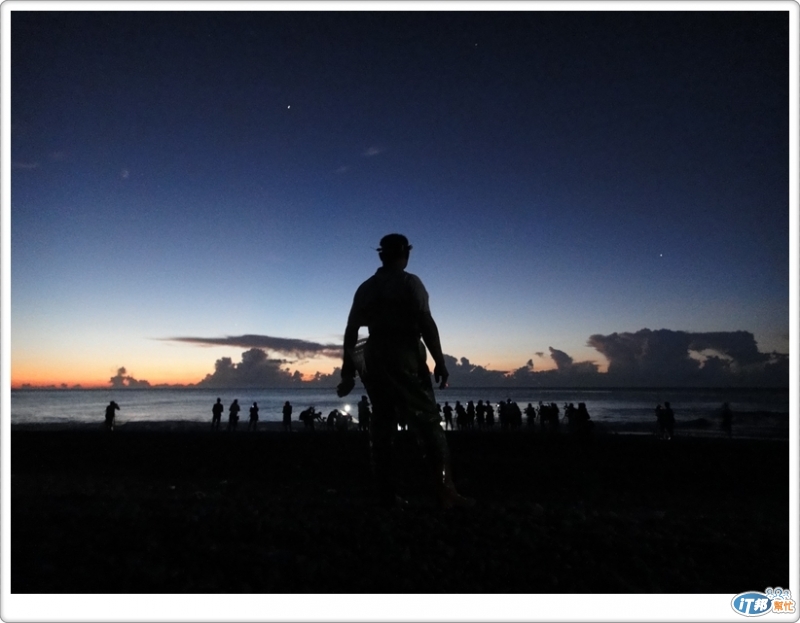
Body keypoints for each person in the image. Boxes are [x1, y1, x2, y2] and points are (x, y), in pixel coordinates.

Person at [336, 233, 473, 509]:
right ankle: (445, 491)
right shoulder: (410, 283)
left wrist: (348, 371)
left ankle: (386, 495)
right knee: (428, 420)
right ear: (406, 254)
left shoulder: (366, 288)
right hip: (405, 353)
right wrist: (440, 362)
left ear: (381, 255)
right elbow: (426, 323)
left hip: (374, 355)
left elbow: (352, 331)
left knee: (382, 422)